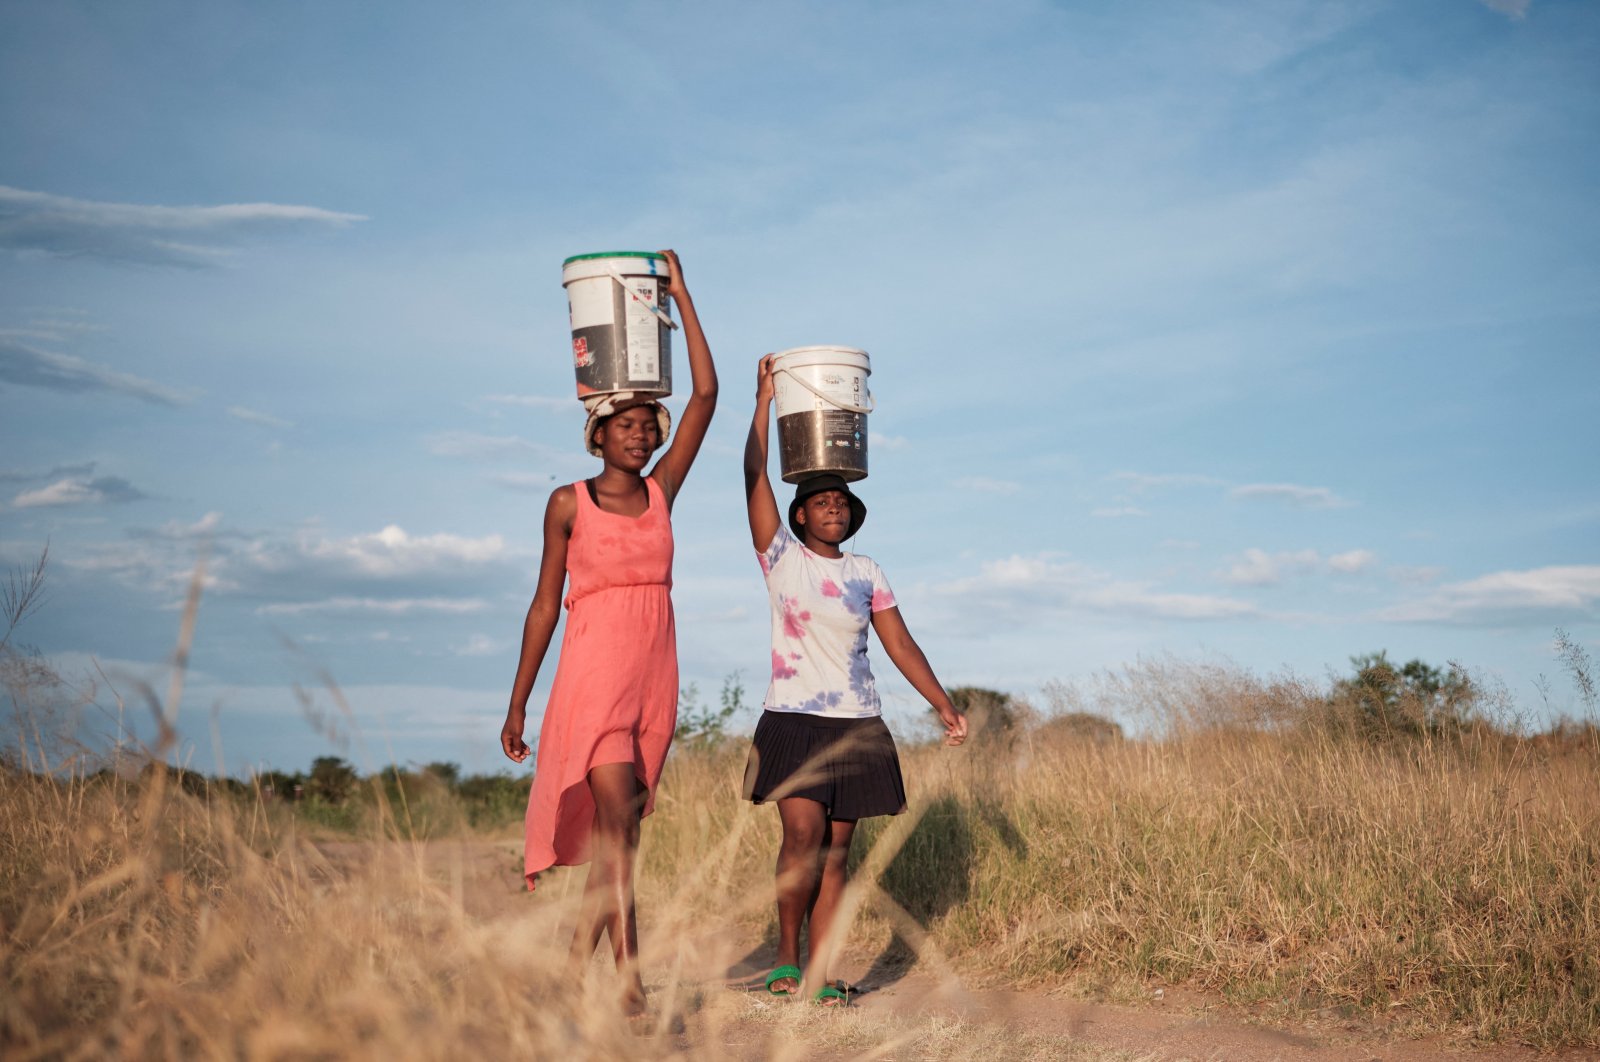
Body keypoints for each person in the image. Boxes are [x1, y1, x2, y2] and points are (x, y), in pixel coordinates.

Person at [500, 249, 716, 1018]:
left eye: (645, 425)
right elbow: (542, 606)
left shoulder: (662, 494)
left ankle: (568, 971)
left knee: (620, 837)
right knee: (618, 822)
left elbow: (706, 396)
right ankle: (629, 981)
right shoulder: (568, 503)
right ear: (598, 433)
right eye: (624, 425)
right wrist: (519, 702)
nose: (640, 434)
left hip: (651, 681)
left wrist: (681, 298)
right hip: (592, 682)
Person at [740, 353, 966, 1006]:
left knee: (838, 856)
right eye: (820, 501)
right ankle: (787, 959)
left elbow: (899, 641)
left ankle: (822, 972)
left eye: (841, 501)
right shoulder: (781, 559)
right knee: (803, 837)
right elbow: (753, 473)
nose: (833, 507)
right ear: (800, 516)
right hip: (793, 719)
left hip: (858, 723)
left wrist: (942, 704)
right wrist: (763, 403)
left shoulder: (868, 570)